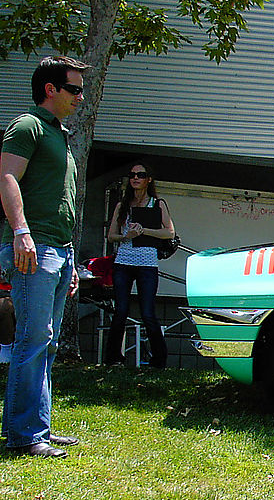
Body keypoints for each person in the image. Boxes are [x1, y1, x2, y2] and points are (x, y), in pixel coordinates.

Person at [0, 55, 87, 458]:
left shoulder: (61, 134)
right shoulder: (29, 125)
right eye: (74, 89)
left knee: (46, 343)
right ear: (50, 89)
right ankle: (22, 435)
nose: (80, 97)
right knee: (32, 340)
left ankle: (40, 429)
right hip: (34, 249)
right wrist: (21, 232)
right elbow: (7, 178)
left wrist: (70, 259)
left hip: (58, 251)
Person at [103, 161, 174, 368]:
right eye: (132, 175)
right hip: (123, 262)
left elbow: (169, 232)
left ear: (148, 180)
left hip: (147, 263)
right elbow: (111, 236)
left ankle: (158, 360)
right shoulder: (122, 205)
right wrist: (128, 236)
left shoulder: (157, 204)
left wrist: (144, 231)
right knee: (121, 311)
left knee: (148, 312)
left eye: (140, 175)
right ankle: (114, 358)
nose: (135, 178)